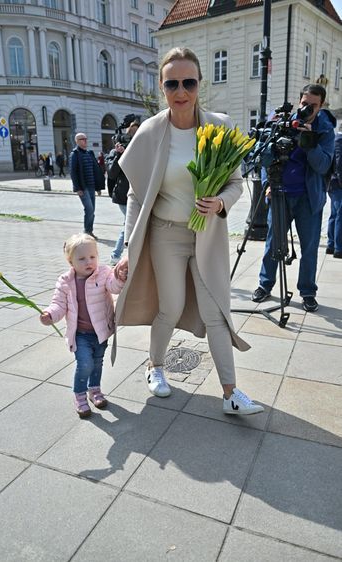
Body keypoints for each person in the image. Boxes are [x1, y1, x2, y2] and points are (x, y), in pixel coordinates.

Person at [114, 47, 263, 415]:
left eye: (189, 82)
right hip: (166, 235)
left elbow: (235, 183)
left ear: (199, 83)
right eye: (172, 83)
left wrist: (221, 203)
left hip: (208, 235)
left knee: (216, 311)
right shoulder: (150, 131)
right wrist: (128, 249)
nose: (181, 91)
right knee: (171, 306)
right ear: (162, 87)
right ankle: (155, 365)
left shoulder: (220, 126)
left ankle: (230, 393)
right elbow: (135, 194)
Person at [251, 84, 336, 312]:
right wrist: (267, 183)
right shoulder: (283, 121)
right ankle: (265, 284)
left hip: (309, 197)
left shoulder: (325, 129)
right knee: (272, 243)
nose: (307, 108)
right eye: (304, 103)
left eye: (313, 105)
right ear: (299, 100)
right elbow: (265, 152)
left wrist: (308, 142)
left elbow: (323, 165)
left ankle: (307, 291)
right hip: (280, 193)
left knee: (309, 247)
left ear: (321, 106)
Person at [39, 233, 127, 418]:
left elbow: (114, 287)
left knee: (97, 363)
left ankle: (94, 390)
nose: (89, 262)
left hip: (100, 331)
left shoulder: (103, 273)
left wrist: (120, 277)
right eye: (82, 258)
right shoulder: (65, 282)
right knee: (85, 363)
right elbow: (58, 304)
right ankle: (79, 395)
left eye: (92, 257)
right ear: (71, 262)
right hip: (80, 334)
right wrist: (50, 315)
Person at [106, 121, 140, 265]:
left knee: (134, 224)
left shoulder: (139, 148)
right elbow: (112, 173)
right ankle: (116, 255)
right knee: (128, 224)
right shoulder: (115, 152)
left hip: (139, 193)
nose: (133, 137)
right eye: (131, 134)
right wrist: (121, 155)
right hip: (123, 195)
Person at [70, 133, 105, 239]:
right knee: (89, 209)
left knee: (92, 210)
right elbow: (73, 172)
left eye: (86, 139)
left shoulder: (90, 153)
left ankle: (89, 231)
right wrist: (77, 188)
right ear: (77, 141)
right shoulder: (74, 154)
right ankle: (87, 231)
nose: (85, 141)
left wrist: (98, 187)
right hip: (83, 187)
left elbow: (96, 170)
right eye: (82, 139)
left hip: (92, 186)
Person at [326, 125, 342, 258]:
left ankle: (331, 245)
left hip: (333, 183)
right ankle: (338, 248)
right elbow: (339, 163)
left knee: (334, 214)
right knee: (339, 215)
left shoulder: (336, 139)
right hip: (338, 183)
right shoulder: (339, 140)